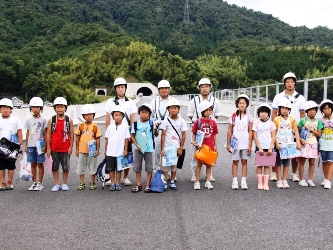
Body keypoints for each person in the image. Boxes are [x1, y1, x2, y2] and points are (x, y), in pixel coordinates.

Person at [271, 72, 306, 182]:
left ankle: (293, 173)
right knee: (276, 150)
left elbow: (302, 114)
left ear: (295, 84)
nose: (290, 84)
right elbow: (274, 112)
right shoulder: (278, 97)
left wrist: (300, 129)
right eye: (287, 82)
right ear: (284, 83)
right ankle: (274, 172)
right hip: (279, 127)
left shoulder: (300, 98)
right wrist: (272, 126)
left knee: (294, 150)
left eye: (292, 82)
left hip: (294, 127)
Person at [187, 78, 221, 182]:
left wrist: (209, 123)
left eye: (206, 86)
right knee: (196, 153)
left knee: (209, 152)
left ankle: (209, 174)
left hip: (209, 131)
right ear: (199, 88)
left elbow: (217, 115)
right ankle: (194, 173)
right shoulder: (194, 100)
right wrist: (199, 124)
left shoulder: (215, 101)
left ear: (210, 87)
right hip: (198, 131)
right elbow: (190, 114)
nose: (204, 89)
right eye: (202, 87)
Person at [105, 77, 137, 186]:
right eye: (118, 87)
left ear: (125, 88)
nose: (120, 89)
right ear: (115, 89)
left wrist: (132, 133)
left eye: (122, 87)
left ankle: (125, 177)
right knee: (112, 155)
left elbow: (132, 118)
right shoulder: (110, 102)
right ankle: (111, 177)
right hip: (113, 132)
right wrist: (108, 133)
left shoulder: (131, 102)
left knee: (126, 154)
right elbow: (108, 118)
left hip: (125, 132)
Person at [46, 97, 74, 192]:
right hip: (54, 147)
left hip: (65, 148)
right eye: (57, 107)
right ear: (54, 108)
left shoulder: (69, 120)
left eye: (62, 107)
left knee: (66, 167)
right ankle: (56, 183)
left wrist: (71, 146)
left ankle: (64, 183)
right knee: (55, 167)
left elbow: (71, 133)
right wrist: (48, 148)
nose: (60, 109)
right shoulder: (51, 120)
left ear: (65, 108)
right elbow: (48, 134)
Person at [226, 94, 253, 190]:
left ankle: (244, 181)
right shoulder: (233, 116)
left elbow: (250, 132)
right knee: (235, 161)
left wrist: (250, 145)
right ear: (237, 104)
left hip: (245, 143)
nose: (241, 105)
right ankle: (234, 181)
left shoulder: (249, 117)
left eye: (244, 103)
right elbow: (229, 130)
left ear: (247, 105)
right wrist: (228, 143)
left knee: (244, 161)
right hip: (235, 144)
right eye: (240, 103)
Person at [273, 99, 301, 189]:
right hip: (280, 143)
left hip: (289, 144)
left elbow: (296, 131)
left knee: (286, 163)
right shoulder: (276, 119)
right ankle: (279, 180)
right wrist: (276, 143)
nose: (284, 110)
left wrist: (298, 142)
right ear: (279, 109)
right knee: (279, 162)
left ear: (289, 109)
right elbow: (273, 133)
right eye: (282, 108)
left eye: (286, 108)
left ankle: (284, 179)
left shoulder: (292, 119)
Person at [160, 99, 187, 190]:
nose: (173, 110)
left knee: (174, 166)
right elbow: (163, 135)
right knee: (165, 166)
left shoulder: (182, 121)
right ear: (168, 110)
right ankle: (164, 182)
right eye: (171, 108)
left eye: (175, 108)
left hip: (176, 147)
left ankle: (172, 181)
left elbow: (183, 136)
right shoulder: (166, 121)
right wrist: (162, 149)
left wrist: (181, 148)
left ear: (178, 109)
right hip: (167, 147)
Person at [131, 103, 158, 193]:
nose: (144, 114)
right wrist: (137, 145)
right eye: (142, 112)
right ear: (139, 113)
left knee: (149, 167)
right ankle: (138, 184)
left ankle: (148, 184)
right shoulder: (135, 124)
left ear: (149, 114)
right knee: (137, 166)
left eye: (146, 112)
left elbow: (156, 134)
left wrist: (155, 128)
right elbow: (132, 136)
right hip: (138, 148)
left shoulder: (151, 123)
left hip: (149, 148)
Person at [191, 100, 218, 190]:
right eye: (206, 110)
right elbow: (194, 133)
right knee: (199, 164)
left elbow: (214, 134)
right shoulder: (198, 122)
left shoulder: (213, 122)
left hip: (210, 146)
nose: (208, 112)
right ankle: (197, 182)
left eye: (210, 110)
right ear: (202, 111)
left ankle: (208, 181)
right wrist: (193, 141)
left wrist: (215, 145)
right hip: (200, 146)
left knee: (209, 164)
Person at [75, 104, 102, 190]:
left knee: (92, 167)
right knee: (81, 167)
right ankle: (82, 182)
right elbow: (77, 138)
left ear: (93, 115)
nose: (89, 116)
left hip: (92, 151)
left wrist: (97, 150)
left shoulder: (95, 126)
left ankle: (92, 182)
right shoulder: (81, 126)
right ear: (83, 116)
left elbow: (98, 139)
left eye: (90, 114)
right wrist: (77, 149)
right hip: (82, 151)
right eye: (87, 115)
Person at [297, 101, 323, 187]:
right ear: (306, 111)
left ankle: (310, 179)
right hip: (305, 143)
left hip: (314, 143)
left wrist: (311, 130)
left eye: (314, 110)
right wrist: (300, 139)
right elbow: (296, 131)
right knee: (302, 161)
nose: (312, 111)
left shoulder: (318, 121)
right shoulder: (302, 120)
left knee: (312, 162)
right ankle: (302, 179)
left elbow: (319, 134)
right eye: (310, 110)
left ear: (316, 111)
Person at [105, 105, 130, 191]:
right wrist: (106, 151)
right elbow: (107, 140)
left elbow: (126, 139)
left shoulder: (125, 127)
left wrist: (126, 149)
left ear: (123, 116)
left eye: (120, 115)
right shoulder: (109, 127)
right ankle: (112, 182)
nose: (118, 117)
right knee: (111, 169)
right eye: (116, 115)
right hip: (110, 152)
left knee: (119, 169)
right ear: (113, 116)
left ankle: (117, 182)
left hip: (120, 152)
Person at [150, 80, 173, 172]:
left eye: (166, 88)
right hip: (158, 131)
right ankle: (156, 171)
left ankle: (170, 172)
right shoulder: (153, 102)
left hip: (170, 131)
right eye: (162, 88)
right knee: (156, 152)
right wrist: (153, 123)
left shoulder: (173, 101)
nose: (164, 90)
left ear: (169, 90)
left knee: (170, 151)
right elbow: (150, 117)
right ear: (158, 90)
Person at [25, 97, 47, 191]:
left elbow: (46, 133)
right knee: (32, 164)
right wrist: (26, 145)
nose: (35, 109)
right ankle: (34, 182)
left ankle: (40, 183)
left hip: (40, 145)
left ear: (41, 108)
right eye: (33, 107)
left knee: (40, 164)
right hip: (31, 145)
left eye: (37, 107)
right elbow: (28, 133)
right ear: (30, 108)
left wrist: (45, 145)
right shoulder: (28, 121)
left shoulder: (43, 120)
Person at [0, 98, 23, 190]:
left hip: (12, 146)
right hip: (1, 146)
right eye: (3, 108)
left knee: (11, 165)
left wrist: (20, 142)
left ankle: (10, 182)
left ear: (11, 109)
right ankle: (2, 182)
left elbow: (19, 131)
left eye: (7, 108)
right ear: (0, 110)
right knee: (1, 166)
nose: (5, 110)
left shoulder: (15, 119)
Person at [252, 104, 276, 191]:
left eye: (265, 112)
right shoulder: (256, 123)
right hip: (260, 147)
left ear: (268, 114)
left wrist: (271, 147)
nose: (263, 114)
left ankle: (265, 183)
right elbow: (254, 136)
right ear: (258, 113)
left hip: (268, 147)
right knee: (259, 165)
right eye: (262, 112)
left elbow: (273, 136)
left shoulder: (271, 124)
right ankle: (260, 182)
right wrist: (259, 147)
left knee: (267, 165)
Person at [318, 99, 333, 189]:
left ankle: (328, 180)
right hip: (323, 144)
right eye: (325, 109)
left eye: (328, 108)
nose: (327, 110)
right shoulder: (320, 121)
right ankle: (326, 178)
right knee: (324, 162)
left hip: (331, 145)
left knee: (330, 162)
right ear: (322, 110)